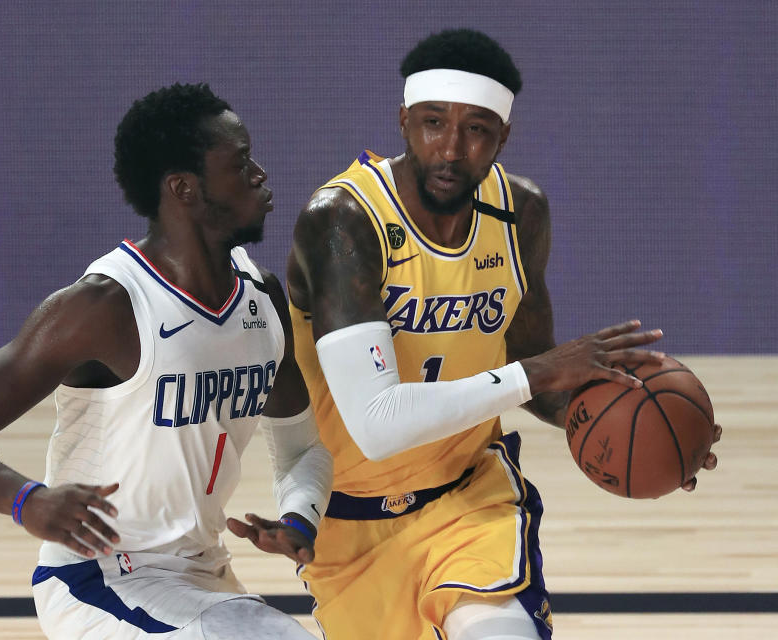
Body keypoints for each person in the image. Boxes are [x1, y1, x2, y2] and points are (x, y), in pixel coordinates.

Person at [286, 30, 721, 640]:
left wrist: (655, 428)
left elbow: (533, 377)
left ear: (502, 137)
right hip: (349, 524)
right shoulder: (343, 221)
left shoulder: (521, 212)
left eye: (477, 130)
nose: (451, 149)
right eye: (433, 123)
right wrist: (537, 373)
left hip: (471, 501)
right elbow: (377, 424)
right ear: (404, 120)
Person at [0, 83, 331, 640]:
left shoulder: (260, 297)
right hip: (98, 577)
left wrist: (299, 515)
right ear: (183, 188)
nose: (259, 174)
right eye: (239, 162)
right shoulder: (105, 306)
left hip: (203, 572)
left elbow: (301, 444)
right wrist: (27, 500)